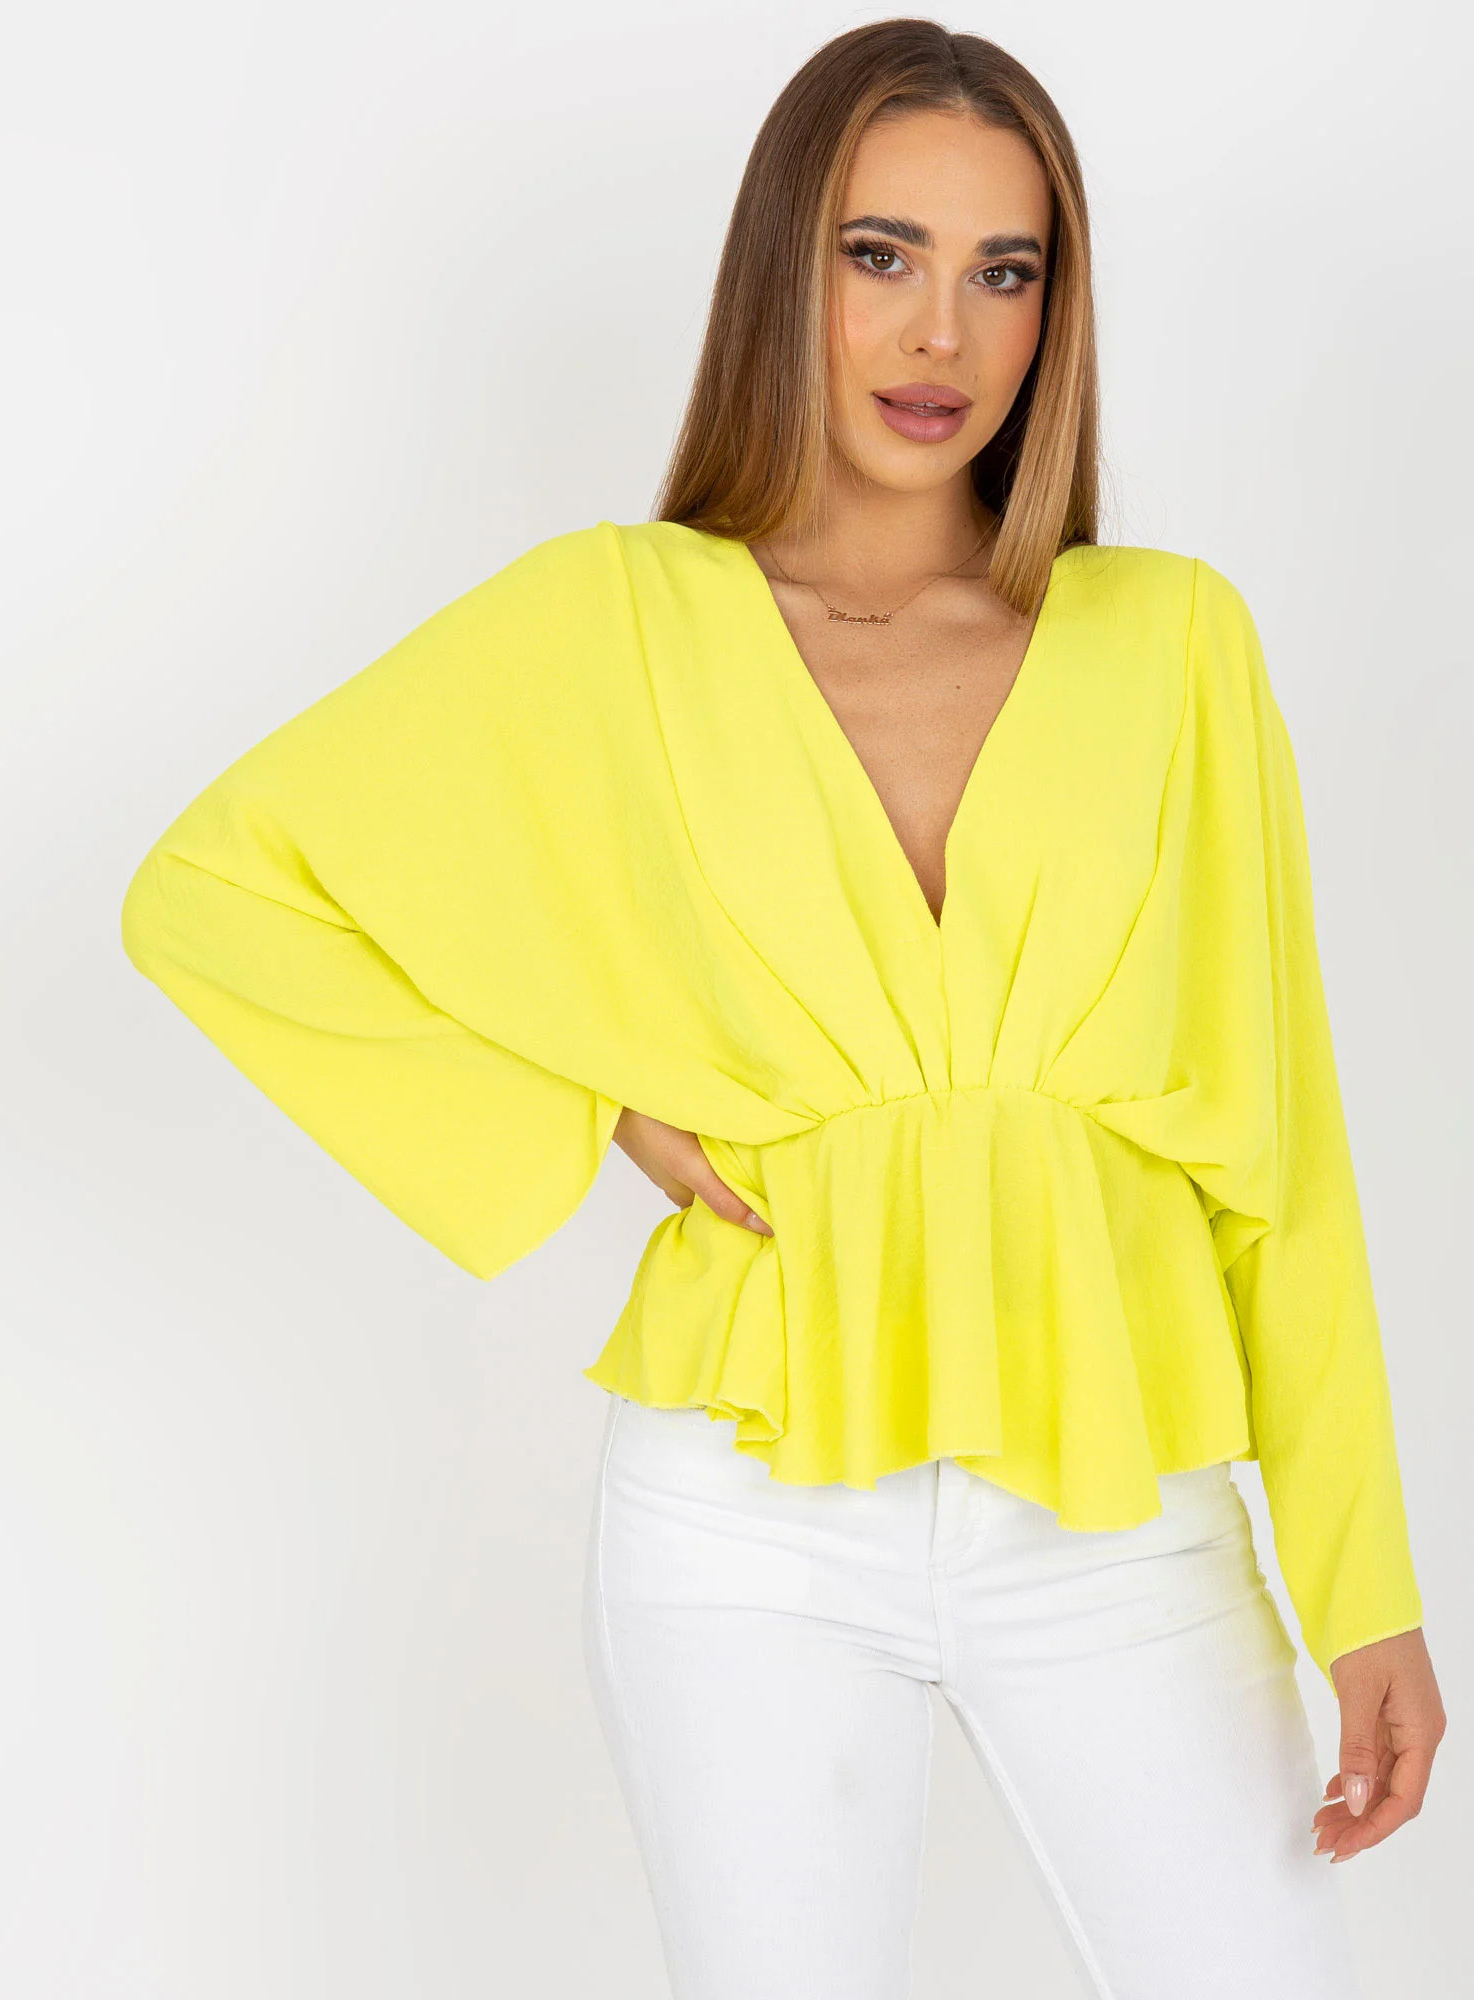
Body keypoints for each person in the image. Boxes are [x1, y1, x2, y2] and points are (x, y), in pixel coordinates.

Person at [120, 19, 1444, 1999]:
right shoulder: (618, 617)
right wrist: (588, 1107)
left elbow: (1289, 1148)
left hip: (1126, 1511)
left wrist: (1365, 1583)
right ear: (781, 272)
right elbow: (216, 892)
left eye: (1006, 270)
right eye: (878, 253)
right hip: (746, 1519)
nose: (941, 333)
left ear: (1057, 311)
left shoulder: (1174, 640)